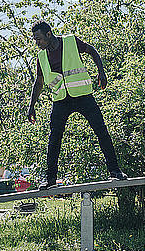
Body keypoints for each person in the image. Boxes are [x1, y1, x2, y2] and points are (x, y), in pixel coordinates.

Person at [27, 21, 127, 189]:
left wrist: (101, 72)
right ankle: (50, 180)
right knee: (54, 140)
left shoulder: (71, 41)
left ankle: (115, 171)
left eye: (39, 39)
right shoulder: (41, 56)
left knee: (101, 131)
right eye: (35, 40)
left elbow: (92, 51)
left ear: (48, 34)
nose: (37, 43)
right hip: (60, 100)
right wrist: (31, 106)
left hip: (83, 96)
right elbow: (39, 82)